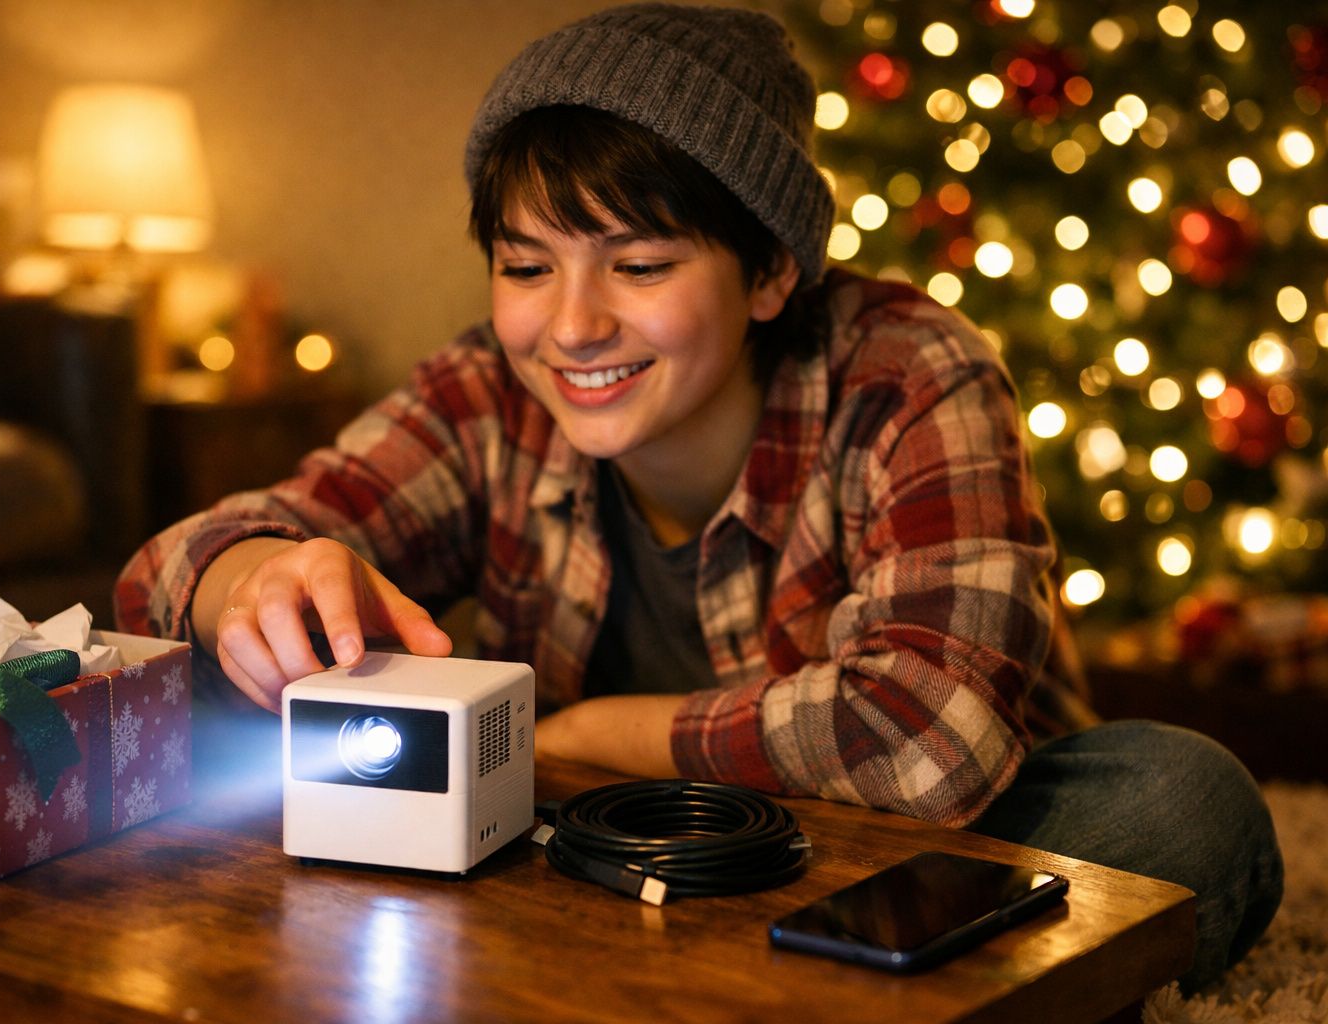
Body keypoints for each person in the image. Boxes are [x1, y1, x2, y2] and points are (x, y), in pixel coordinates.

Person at [116, 3, 1280, 991]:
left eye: (640, 264)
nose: (569, 326)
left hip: (909, 848)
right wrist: (249, 577)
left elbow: (933, 746)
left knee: (1179, 802)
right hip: (610, 847)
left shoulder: (912, 370)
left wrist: (569, 736)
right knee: (224, 721)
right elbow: (167, 571)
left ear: (771, 269)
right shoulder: (487, 390)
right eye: (527, 266)